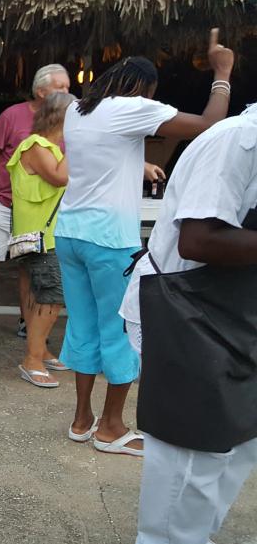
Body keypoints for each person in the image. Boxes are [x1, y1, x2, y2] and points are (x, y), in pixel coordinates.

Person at [58, 29, 234, 456]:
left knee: (82, 326)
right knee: (119, 329)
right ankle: (111, 428)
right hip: (108, 238)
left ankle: (81, 420)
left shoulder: (77, 110)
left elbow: (104, 156)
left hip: (69, 233)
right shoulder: (133, 108)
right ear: (145, 89)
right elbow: (210, 125)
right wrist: (223, 74)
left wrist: (141, 166)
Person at [119, 103, 257, 544]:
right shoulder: (236, 140)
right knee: (192, 456)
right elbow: (197, 239)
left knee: (237, 445)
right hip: (187, 311)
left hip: (233, 313)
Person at [0, 64, 71, 350]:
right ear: (41, 90)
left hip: (36, 211)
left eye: (67, 86)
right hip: (3, 202)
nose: (66, 91)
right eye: (60, 86)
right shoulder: (13, 115)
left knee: (28, 267)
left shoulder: (66, 122)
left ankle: (26, 321)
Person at [7, 92, 76, 388]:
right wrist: (79, 144)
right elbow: (60, 178)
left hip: (47, 236)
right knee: (52, 297)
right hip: (41, 237)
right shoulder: (35, 145)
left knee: (42, 296)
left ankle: (40, 352)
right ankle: (32, 359)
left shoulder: (50, 148)